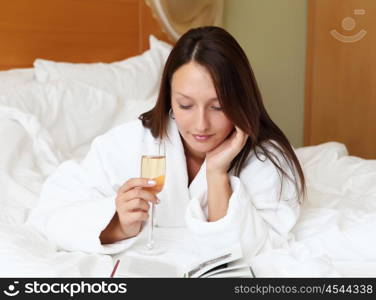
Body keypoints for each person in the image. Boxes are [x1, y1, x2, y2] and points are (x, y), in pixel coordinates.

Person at [27, 26, 306, 259]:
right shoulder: (132, 142)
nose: (200, 125)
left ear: (240, 100)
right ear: (169, 98)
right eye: (185, 105)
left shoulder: (268, 162)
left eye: (218, 107)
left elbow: (239, 253)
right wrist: (118, 224)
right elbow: (52, 214)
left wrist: (217, 173)